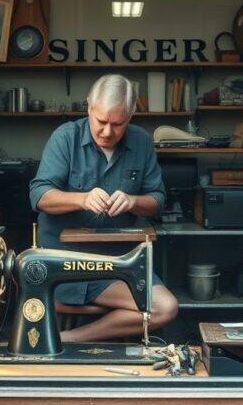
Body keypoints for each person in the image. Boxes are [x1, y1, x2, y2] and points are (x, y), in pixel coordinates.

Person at [28, 74, 178, 342]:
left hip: (120, 261)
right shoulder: (66, 138)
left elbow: (158, 200)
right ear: (89, 108)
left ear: (131, 115)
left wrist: (133, 202)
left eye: (118, 124)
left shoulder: (141, 142)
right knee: (160, 307)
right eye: (101, 121)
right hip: (68, 261)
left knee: (165, 308)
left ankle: (68, 339)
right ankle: (75, 339)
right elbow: (38, 196)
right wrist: (81, 199)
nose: (108, 132)